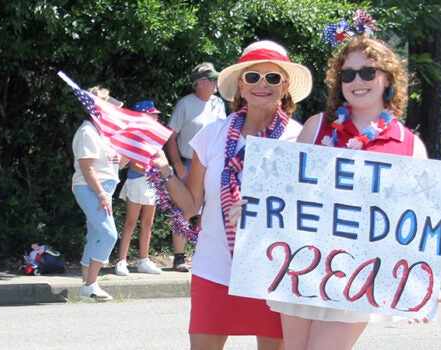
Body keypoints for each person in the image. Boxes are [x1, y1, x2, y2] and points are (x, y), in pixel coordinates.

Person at [268, 35, 441, 350]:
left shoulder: (408, 145)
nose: (357, 81)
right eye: (348, 74)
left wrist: (422, 281)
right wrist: (254, 208)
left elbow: (415, 223)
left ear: (387, 77)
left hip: (358, 276)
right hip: (305, 264)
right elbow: (286, 193)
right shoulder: (317, 127)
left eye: (368, 72)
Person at [153, 40, 312, 350]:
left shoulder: (300, 139)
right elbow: (190, 206)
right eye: (253, 77)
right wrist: (164, 171)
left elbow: (308, 211)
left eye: (273, 78)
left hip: (274, 271)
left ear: (285, 86)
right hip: (214, 268)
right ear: (240, 84)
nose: (261, 85)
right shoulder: (213, 134)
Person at [166, 62, 226, 272]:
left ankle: (202, 251)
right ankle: (179, 256)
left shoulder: (218, 104)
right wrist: (178, 165)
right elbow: (170, 136)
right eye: (211, 80)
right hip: (190, 163)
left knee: (210, 209)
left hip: (213, 165)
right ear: (199, 83)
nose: (215, 83)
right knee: (184, 209)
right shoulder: (185, 104)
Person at [71, 86, 129, 301]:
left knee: (96, 234)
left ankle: (86, 286)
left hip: (103, 188)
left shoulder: (104, 133)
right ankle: (91, 284)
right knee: (108, 234)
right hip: (90, 188)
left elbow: (118, 165)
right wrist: (101, 194)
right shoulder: (87, 132)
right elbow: (87, 169)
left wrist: (132, 150)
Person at [113, 100, 163, 276]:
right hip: (136, 182)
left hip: (152, 183)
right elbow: (132, 165)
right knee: (131, 222)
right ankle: (121, 261)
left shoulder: (155, 137)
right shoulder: (133, 137)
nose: (156, 117)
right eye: (152, 114)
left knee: (148, 223)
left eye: (155, 115)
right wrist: (151, 167)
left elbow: (159, 160)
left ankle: (144, 260)